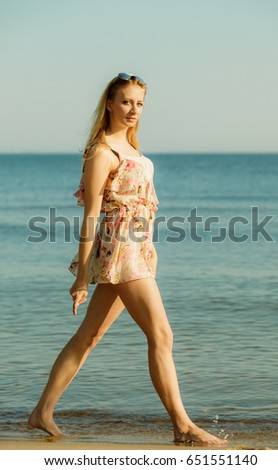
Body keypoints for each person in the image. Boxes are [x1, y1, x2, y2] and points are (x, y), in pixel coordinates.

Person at [28, 72, 227, 445]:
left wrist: (150, 250)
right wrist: (81, 274)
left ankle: (41, 413)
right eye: (126, 101)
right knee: (162, 335)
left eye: (139, 103)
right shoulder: (103, 151)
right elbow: (90, 214)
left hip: (138, 248)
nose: (133, 109)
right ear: (109, 103)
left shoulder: (132, 149)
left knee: (89, 336)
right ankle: (183, 426)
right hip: (120, 248)